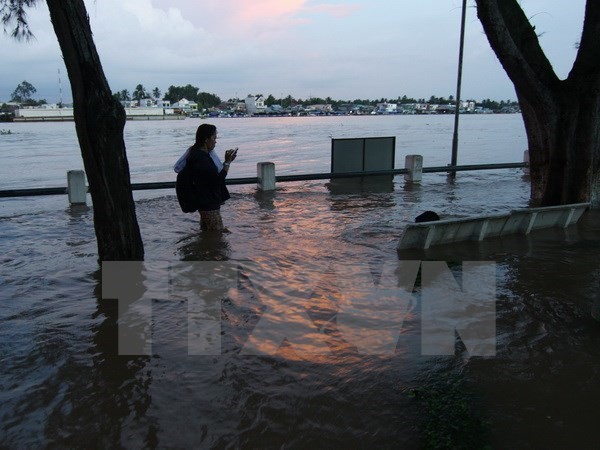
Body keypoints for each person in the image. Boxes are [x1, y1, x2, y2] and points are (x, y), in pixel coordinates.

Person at [175, 123, 237, 231]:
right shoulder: (201, 159)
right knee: (218, 239)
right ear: (206, 139)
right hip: (209, 205)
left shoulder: (197, 154)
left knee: (208, 236)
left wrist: (228, 161)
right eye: (214, 138)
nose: (215, 141)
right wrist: (227, 163)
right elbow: (218, 180)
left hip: (204, 203)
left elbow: (210, 176)